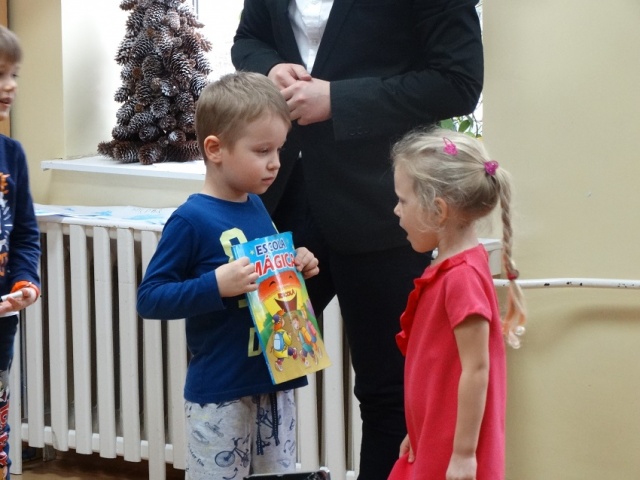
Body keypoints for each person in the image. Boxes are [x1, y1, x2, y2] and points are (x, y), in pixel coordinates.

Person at [231, 1, 484, 478]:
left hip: (384, 208)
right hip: (279, 206)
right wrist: (270, 68)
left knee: (388, 394)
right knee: (253, 369)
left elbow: (458, 82)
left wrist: (339, 99)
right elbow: (248, 39)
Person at [136, 71, 320, 480]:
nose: (275, 162)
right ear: (215, 149)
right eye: (262, 150)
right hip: (220, 393)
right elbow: (150, 298)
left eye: (279, 149)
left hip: (276, 383)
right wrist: (216, 285)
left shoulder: (256, 206)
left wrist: (296, 263)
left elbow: (266, 283)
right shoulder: (190, 219)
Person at [388, 127, 526, 480]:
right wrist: (418, 428)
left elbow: (477, 369)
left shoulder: (461, 278)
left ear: (438, 210)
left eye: (403, 200)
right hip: (436, 434)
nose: (396, 210)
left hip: (453, 447)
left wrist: (464, 453)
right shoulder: (451, 269)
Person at [0, 25, 41, 480]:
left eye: (14, 75)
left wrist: (24, 282)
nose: (10, 86)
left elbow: (26, 235)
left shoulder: (11, 155)